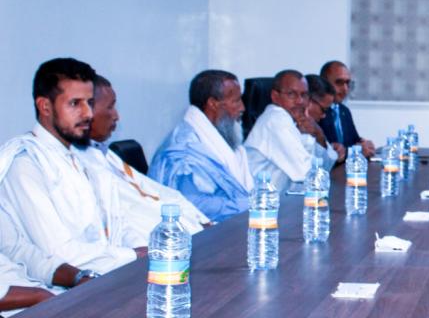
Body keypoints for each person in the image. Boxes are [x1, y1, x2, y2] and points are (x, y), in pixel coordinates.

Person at [0, 58, 146, 285]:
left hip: (111, 275)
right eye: (75, 103)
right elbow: (60, 254)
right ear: (45, 106)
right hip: (64, 292)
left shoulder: (81, 156)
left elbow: (115, 224)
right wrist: (133, 255)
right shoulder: (25, 165)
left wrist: (144, 250)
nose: (88, 114)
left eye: (90, 102)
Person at [82, 75, 209, 236]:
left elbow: (161, 194)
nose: (116, 116)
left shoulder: (105, 154)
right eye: (110, 107)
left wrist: (199, 220)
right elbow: (128, 219)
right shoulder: (81, 164)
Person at [150, 69, 252, 223]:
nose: (242, 108)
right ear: (213, 104)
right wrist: (251, 204)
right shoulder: (185, 152)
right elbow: (193, 205)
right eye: (236, 101)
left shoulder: (215, 137)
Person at [246, 69, 335, 190]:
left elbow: (325, 166)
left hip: (282, 196)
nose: (300, 101)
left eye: (304, 95)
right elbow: (307, 173)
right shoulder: (275, 119)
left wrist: (318, 135)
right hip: (260, 199)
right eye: (291, 94)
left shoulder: (294, 120)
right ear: (275, 96)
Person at [318, 60, 376, 158]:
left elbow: (354, 141)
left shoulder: (344, 110)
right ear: (324, 83)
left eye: (347, 83)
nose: (345, 89)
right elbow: (325, 150)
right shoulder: (317, 111)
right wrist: (355, 151)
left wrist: (365, 144)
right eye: (339, 82)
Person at [305, 73, 346, 165]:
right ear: (308, 102)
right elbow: (309, 168)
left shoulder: (312, 126)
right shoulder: (285, 126)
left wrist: (321, 139)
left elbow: (327, 163)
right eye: (324, 110)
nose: (324, 116)